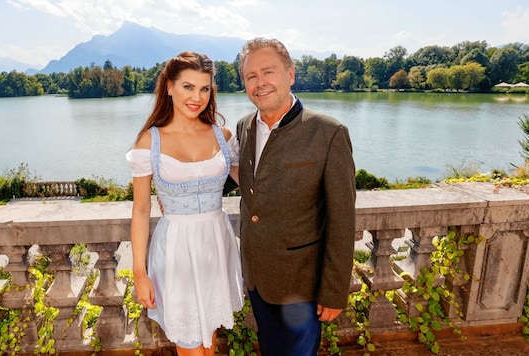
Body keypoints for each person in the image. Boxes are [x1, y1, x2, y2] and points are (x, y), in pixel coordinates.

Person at [234, 37, 357, 355]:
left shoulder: (328, 133)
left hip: (302, 284)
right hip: (258, 279)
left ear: (290, 74)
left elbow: (342, 219)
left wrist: (333, 291)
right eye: (251, 76)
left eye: (268, 72)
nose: (260, 83)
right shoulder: (243, 127)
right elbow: (246, 188)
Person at [125, 51, 244, 356]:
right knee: (190, 343)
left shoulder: (223, 135)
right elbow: (140, 211)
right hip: (176, 249)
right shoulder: (149, 142)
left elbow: (254, 184)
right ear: (169, 87)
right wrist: (140, 273)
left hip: (216, 244)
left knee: (209, 342)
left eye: (205, 88)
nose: (197, 97)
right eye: (188, 87)